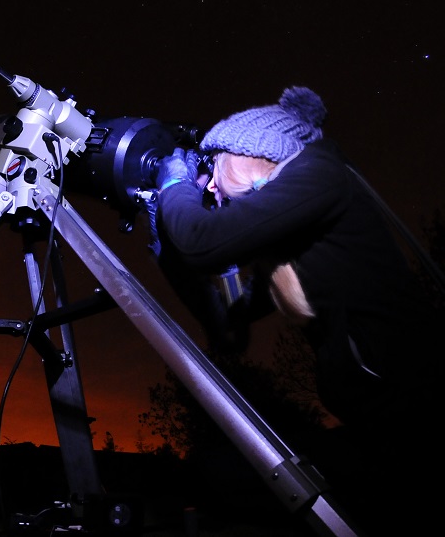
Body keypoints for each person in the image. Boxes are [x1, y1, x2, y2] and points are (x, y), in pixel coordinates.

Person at [151, 86, 443, 535]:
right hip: (376, 427)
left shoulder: (322, 174)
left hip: (418, 429)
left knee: (229, 477)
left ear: (252, 155)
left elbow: (202, 242)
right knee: (220, 475)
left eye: (212, 167)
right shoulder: (289, 240)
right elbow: (230, 328)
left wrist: (173, 183)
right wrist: (168, 249)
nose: (206, 184)